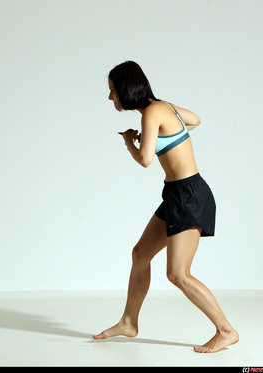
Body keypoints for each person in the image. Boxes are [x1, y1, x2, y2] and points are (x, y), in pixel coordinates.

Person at [93, 61, 238, 353]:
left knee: (178, 274)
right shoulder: (162, 108)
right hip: (176, 194)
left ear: (125, 88)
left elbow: (145, 160)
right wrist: (166, 134)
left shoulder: (151, 113)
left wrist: (128, 143)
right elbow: (195, 120)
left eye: (112, 91)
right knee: (140, 254)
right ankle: (129, 322)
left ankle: (226, 331)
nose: (110, 97)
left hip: (190, 195)